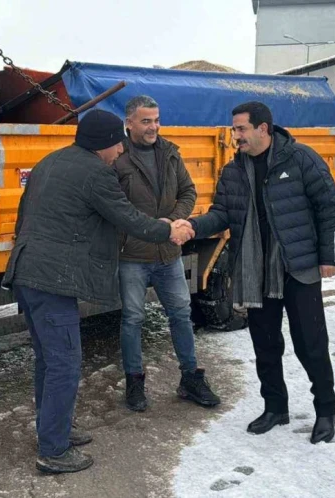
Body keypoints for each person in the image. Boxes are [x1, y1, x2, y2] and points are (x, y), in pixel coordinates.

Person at [2, 109, 194, 474]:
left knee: (49, 359)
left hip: (28, 272)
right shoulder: (97, 173)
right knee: (65, 363)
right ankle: (53, 451)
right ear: (104, 143)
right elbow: (127, 218)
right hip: (52, 279)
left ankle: (53, 430)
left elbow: (25, 215)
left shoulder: (50, 162)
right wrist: (168, 230)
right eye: (117, 143)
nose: (121, 150)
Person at [180, 101, 335, 444]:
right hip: (255, 270)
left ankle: (326, 411)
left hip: (298, 267)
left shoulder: (301, 160)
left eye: (240, 129)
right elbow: (222, 214)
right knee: (265, 344)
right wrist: (192, 226)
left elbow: (330, 207)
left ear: (263, 129)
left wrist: (332, 257)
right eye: (234, 129)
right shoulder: (233, 171)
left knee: (311, 345)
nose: (235, 135)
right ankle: (275, 407)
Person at [114, 95, 221, 412]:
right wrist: (156, 226)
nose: (153, 127)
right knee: (133, 318)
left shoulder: (170, 153)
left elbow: (188, 191)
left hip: (168, 253)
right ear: (129, 122)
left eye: (156, 120)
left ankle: (190, 378)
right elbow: (116, 207)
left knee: (181, 315)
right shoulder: (118, 158)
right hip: (132, 254)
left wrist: (175, 220)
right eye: (146, 121)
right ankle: (134, 383)